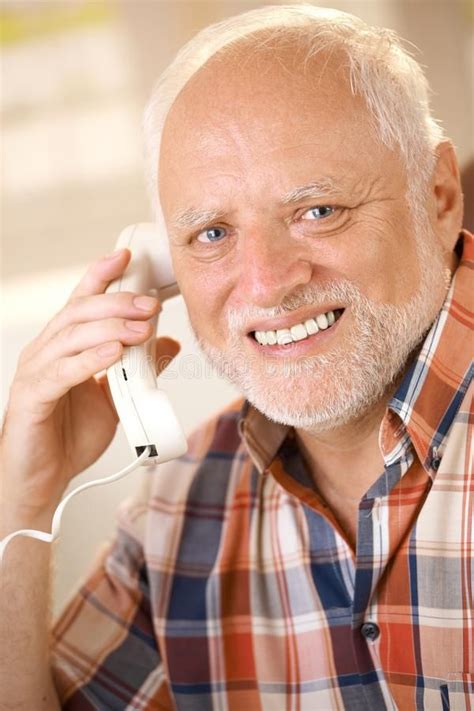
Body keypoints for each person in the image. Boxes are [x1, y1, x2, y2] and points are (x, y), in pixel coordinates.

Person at [0, 4, 472, 710]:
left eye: (317, 210)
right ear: (163, 267)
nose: (265, 283)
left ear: (437, 197)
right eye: (213, 232)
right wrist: (21, 497)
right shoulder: (177, 510)